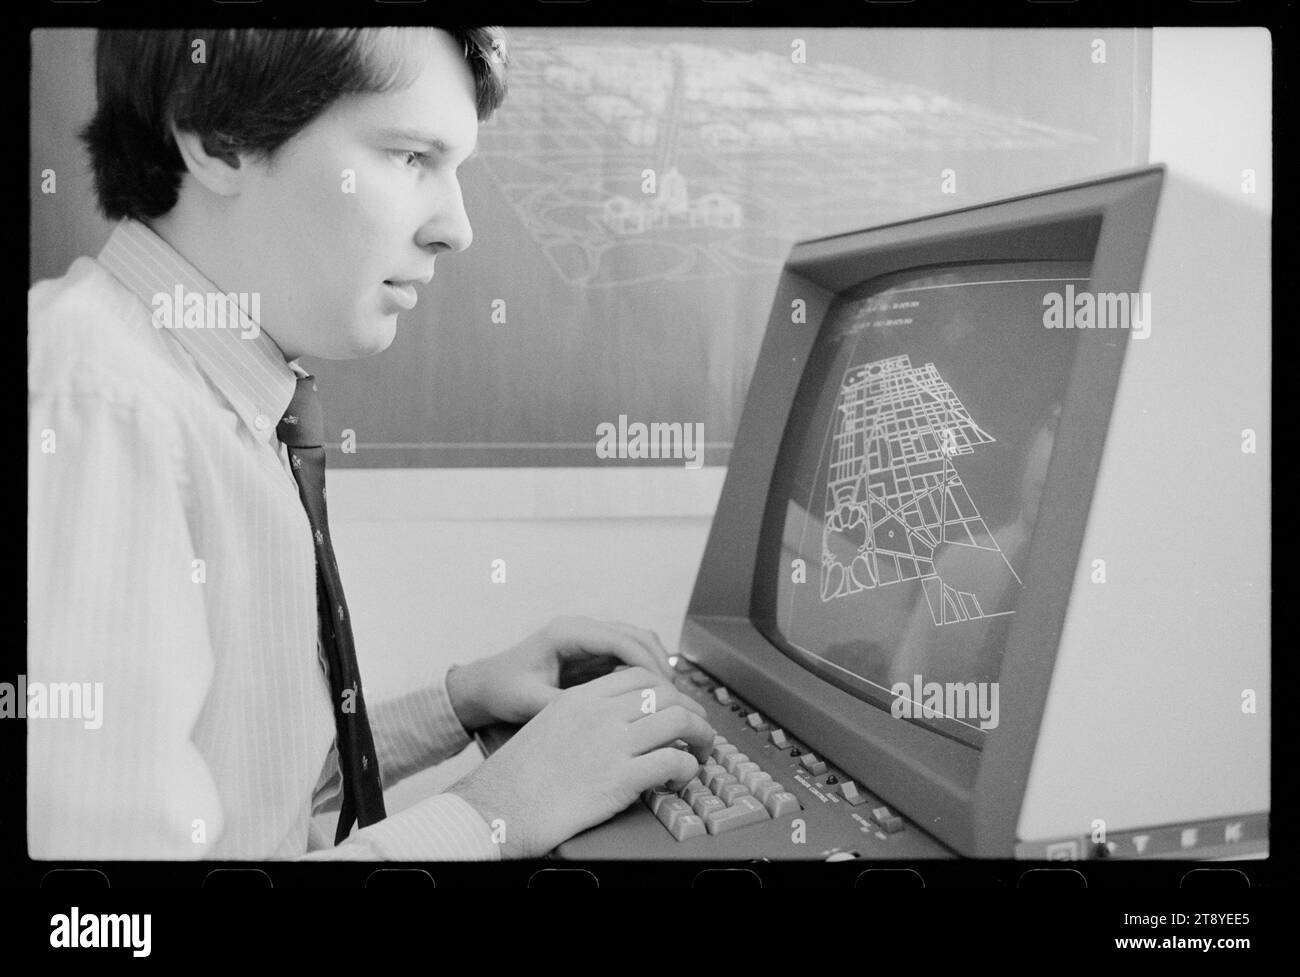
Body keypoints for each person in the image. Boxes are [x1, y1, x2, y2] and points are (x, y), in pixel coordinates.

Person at [28, 26, 714, 861]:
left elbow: (239, 805)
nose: (457, 229)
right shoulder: (97, 400)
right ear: (221, 137)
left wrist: (457, 702)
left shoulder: (210, 392)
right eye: (411, 156)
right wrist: (494, 809)